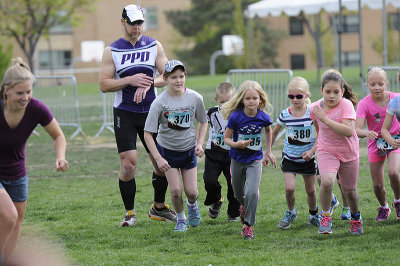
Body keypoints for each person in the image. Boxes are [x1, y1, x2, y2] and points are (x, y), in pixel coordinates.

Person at [99, 4, 176, 226]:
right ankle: (130, 214)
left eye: (139, 22)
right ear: (122, 21)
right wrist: (129, 81)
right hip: (125, 113)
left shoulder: (154, 45)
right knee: (128, 165)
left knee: (161, 162)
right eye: (132, 22)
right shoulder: (112, 50)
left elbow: (168, 76)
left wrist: (150, 82)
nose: (136, 27)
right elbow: (104, 84)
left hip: (152, 111)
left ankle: (158, 207)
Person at [0, 57, 69, 264]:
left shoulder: (36, 108)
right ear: (6, 90)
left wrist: (60, 157)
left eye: (29, 92)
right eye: (20, 93)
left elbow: (58, 135)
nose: (25, 97)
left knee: (16, 222)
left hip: (17, 173)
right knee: (9, 216)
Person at [143, 60, 208, 232]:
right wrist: (158, 158)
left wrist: (200, 144)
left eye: (181, 76)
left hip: (188, 152)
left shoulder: (195, 98)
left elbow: (203, 121)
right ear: (165, 79)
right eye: (173, 77)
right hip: (167, 153)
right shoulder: (159, 103)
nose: (178, 81)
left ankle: (192, 206)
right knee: (176, 191)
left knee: (192, 192)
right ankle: (181, 218)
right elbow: (147, 134)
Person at [221, 80, 276, 240]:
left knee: (252, 192)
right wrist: (237, 144)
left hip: (255, 160)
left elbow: (268, 130)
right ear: (242, 100)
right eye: (248, 98)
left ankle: (248, 225)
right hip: (237, 159)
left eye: (255, 98)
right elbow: (226, 139)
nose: (252, 101)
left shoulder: (263, 117)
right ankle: (244, 206)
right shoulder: (236, 116)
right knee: (238, 193)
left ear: (261, 99)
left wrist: (268, 151)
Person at [310, 71, 363, 235]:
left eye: (336, 92)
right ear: (321, 91)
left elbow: (348, 131)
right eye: (327, 92)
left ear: (342, 92)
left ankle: (356, 218)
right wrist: (318, 145)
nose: (331, 96)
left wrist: (327, 119)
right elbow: (318, 130)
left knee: (349, 191)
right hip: (327, 150)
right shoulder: (315, 108)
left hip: (348, 151)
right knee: (326, 181)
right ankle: (325, 217)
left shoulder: (346, 105)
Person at [271, 77, 321, 229]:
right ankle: (291, 212)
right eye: (291, 96)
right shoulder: (285, 114)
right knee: (289, 189)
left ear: (306, 95)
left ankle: (313, 214)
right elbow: (273, 133)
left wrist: (312, 152)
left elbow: (321, 135)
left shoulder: (312, 113)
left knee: (311, 191)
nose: (294, 99)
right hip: (290, 158)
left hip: (307, 159)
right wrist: (268, 151)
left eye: (298, 96)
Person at [356, 67, 400, 222]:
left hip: (395, 140)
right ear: (367, 85)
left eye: (380, 84)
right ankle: (384, 207)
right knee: (377, 185)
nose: (377, 87)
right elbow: (357, 129)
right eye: (372, 84)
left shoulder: (396, 99)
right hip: (376, 143)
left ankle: (398, 202)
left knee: (394, 172)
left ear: (386, 84)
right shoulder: (364, 104)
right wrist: (366, 133)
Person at [203, 82, 240, 221]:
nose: (225, 105)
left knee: (234, 185)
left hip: (233, 154)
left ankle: (233, 212)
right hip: (213, 152)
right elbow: (201, 122)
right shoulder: (211, 112)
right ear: (216, 100)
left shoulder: (239, 113)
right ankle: (216, 199)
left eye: (229, 101)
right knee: (209, 181)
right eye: (222, 101)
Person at [379, 69, 400, 221]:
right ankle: (398, 201)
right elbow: (384, 129)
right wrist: (391, 140)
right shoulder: (395, 103)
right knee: (392, 172)